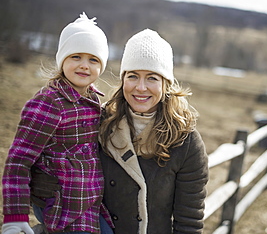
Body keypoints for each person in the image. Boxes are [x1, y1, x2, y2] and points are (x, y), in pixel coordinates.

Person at [31, 28, 209, 234]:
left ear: (165, 83)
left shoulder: (186, 142)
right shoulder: (98, 122)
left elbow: (189, 221)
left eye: (152, 78)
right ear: (123, 79)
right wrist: (43, 185)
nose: (141, 87)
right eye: (133, 76)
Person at [2, 12, 114, 234]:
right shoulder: (48, 103)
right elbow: (18, 161)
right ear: (62, 59)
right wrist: (15, 216)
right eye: (76, 57)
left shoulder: (93, 100)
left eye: (93, 59)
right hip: (60, 206)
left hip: (88, 202)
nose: (84, 65)